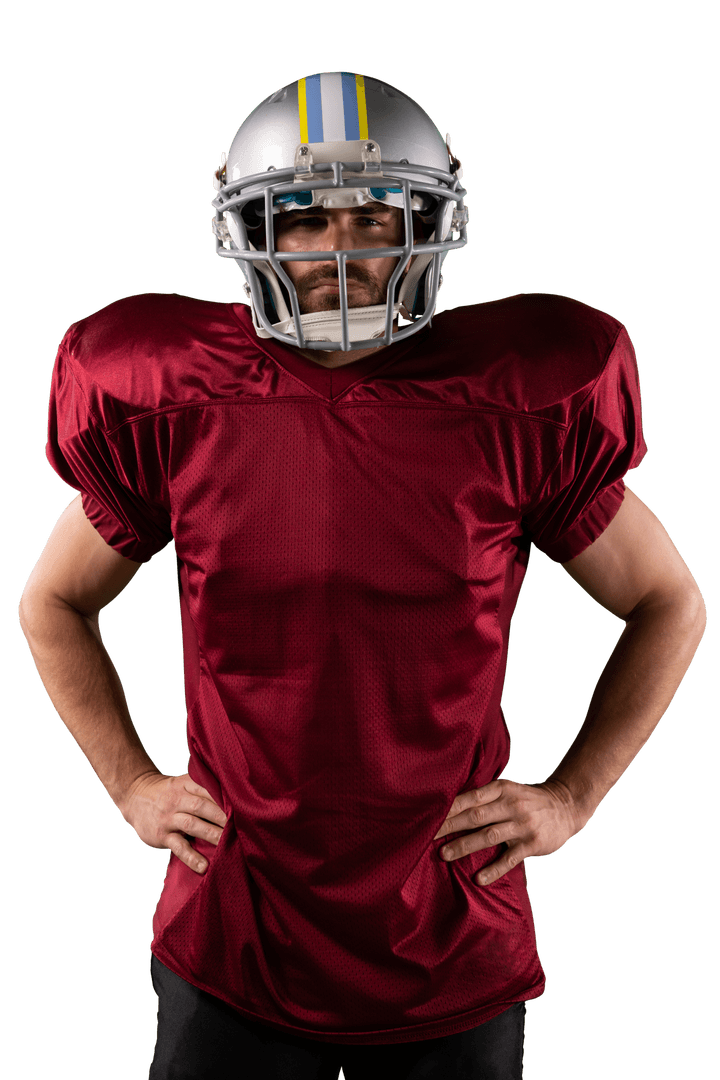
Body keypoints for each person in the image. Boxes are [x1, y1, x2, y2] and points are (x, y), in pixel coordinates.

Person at [18, 71, 706, 1080]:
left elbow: (668, 601)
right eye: (303, 219)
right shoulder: (179, 395)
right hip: (236, 928)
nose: (340, 249)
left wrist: (574, 795)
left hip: (450, 930)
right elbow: (51, 602)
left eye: (373, 215)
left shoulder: (515, 402)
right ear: (250, 230)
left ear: (425, 224)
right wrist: (131, 783)